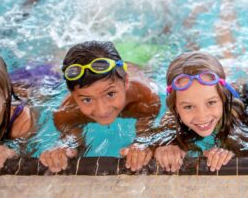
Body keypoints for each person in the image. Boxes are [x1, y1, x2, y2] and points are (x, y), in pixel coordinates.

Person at [39, 41, 160, 173]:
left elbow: (146, 133)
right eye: (87, 99)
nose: (102, 110)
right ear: (72, 93)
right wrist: (64, 149)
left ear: (125, 82)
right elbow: (73, 142)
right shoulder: (65, 114)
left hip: (138, 54)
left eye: (110, 93)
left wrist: (141, 145)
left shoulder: (146, 97)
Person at [153, 51, 248, 173]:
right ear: (174, 107)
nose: (202, 116)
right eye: (188, 107)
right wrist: (163, 148)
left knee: (235, 66)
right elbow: (150, 143)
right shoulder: (170, 120)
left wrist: (229, 153)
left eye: (211, 103)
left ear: (223, 99)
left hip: (242, 93)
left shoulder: (235, 113)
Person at [0, 46, 34, 173]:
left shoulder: (21, 119)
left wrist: (7, 151)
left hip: (37, 80)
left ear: (5, 95)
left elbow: (25, 153)